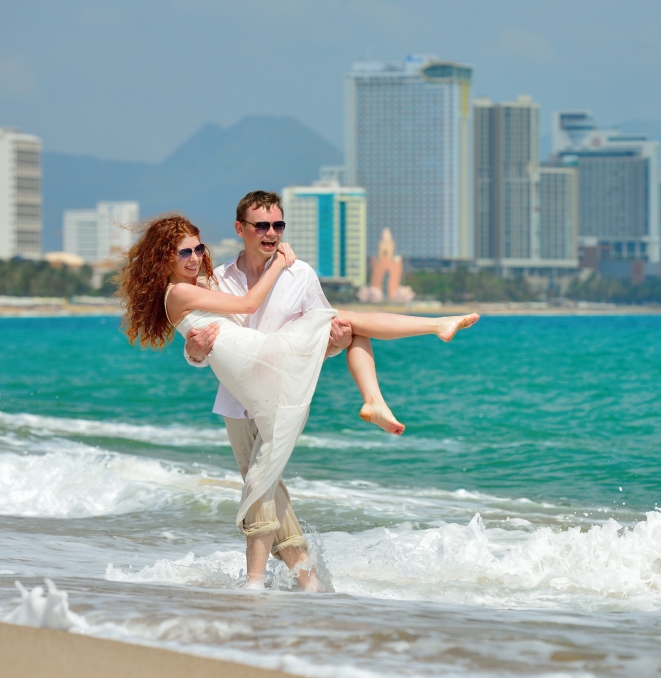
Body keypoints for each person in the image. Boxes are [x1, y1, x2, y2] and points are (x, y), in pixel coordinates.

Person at [116, 193, 478, 590]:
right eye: (262, 226)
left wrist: (335, 335)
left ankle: (258, 584)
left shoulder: (299, 273)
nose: (271, 234)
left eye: (278, 226)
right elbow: (202, 339)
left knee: (345, 326)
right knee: (266, 485)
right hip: (241, 397)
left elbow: (323, 325)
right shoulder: (217, 279)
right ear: (241, 229)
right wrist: (192, 351)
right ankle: (307, 582)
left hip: (282, 375)